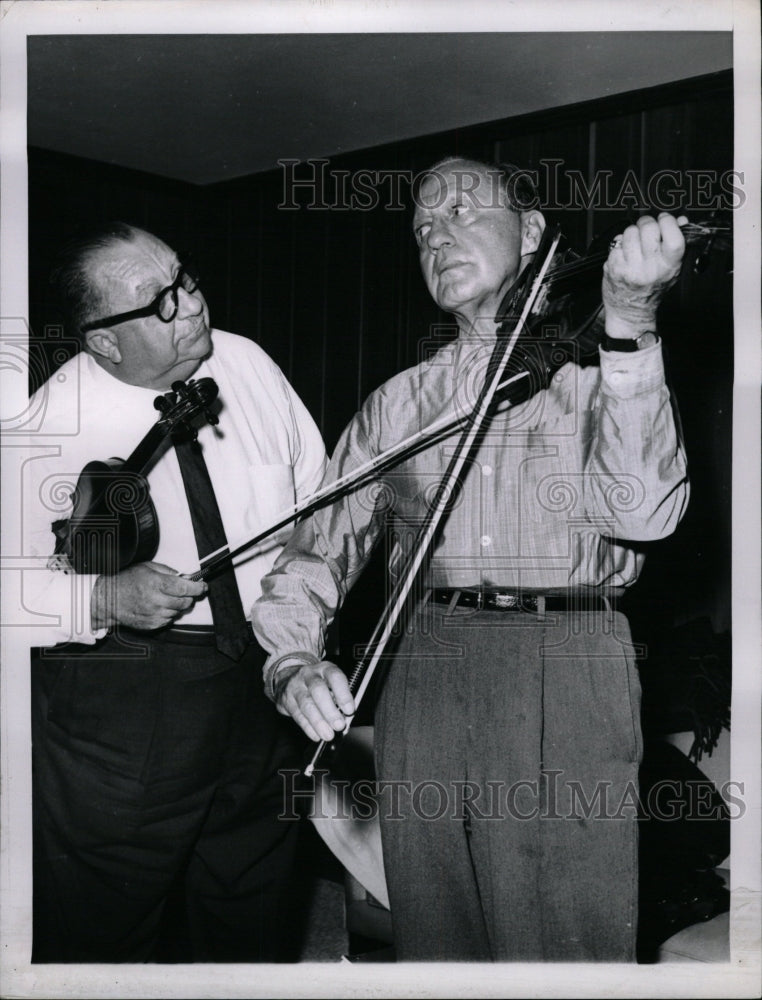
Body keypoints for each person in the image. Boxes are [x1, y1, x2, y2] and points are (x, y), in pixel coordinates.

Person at [251, 157, 690, 961]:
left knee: (565, 943)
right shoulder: (398, 403)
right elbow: (314, 551)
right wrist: (291, 661)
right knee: (434, 930)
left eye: (461, 211)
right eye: (422, 228)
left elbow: (645, 515)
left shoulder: (607, 370)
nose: (437, 236)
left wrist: (630, 320)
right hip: (427, 663)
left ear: (530, 234)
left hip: (566, 659)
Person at [24, 222, 327, 962]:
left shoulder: (248, 363)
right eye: (158, 304)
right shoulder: (43, 425)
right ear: (102, 341)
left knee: (252, 901)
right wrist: (102, 599)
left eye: (185, 280)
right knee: (103, 920)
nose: (191, 308)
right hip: (124, 694)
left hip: (262, 674)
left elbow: (318, 506)